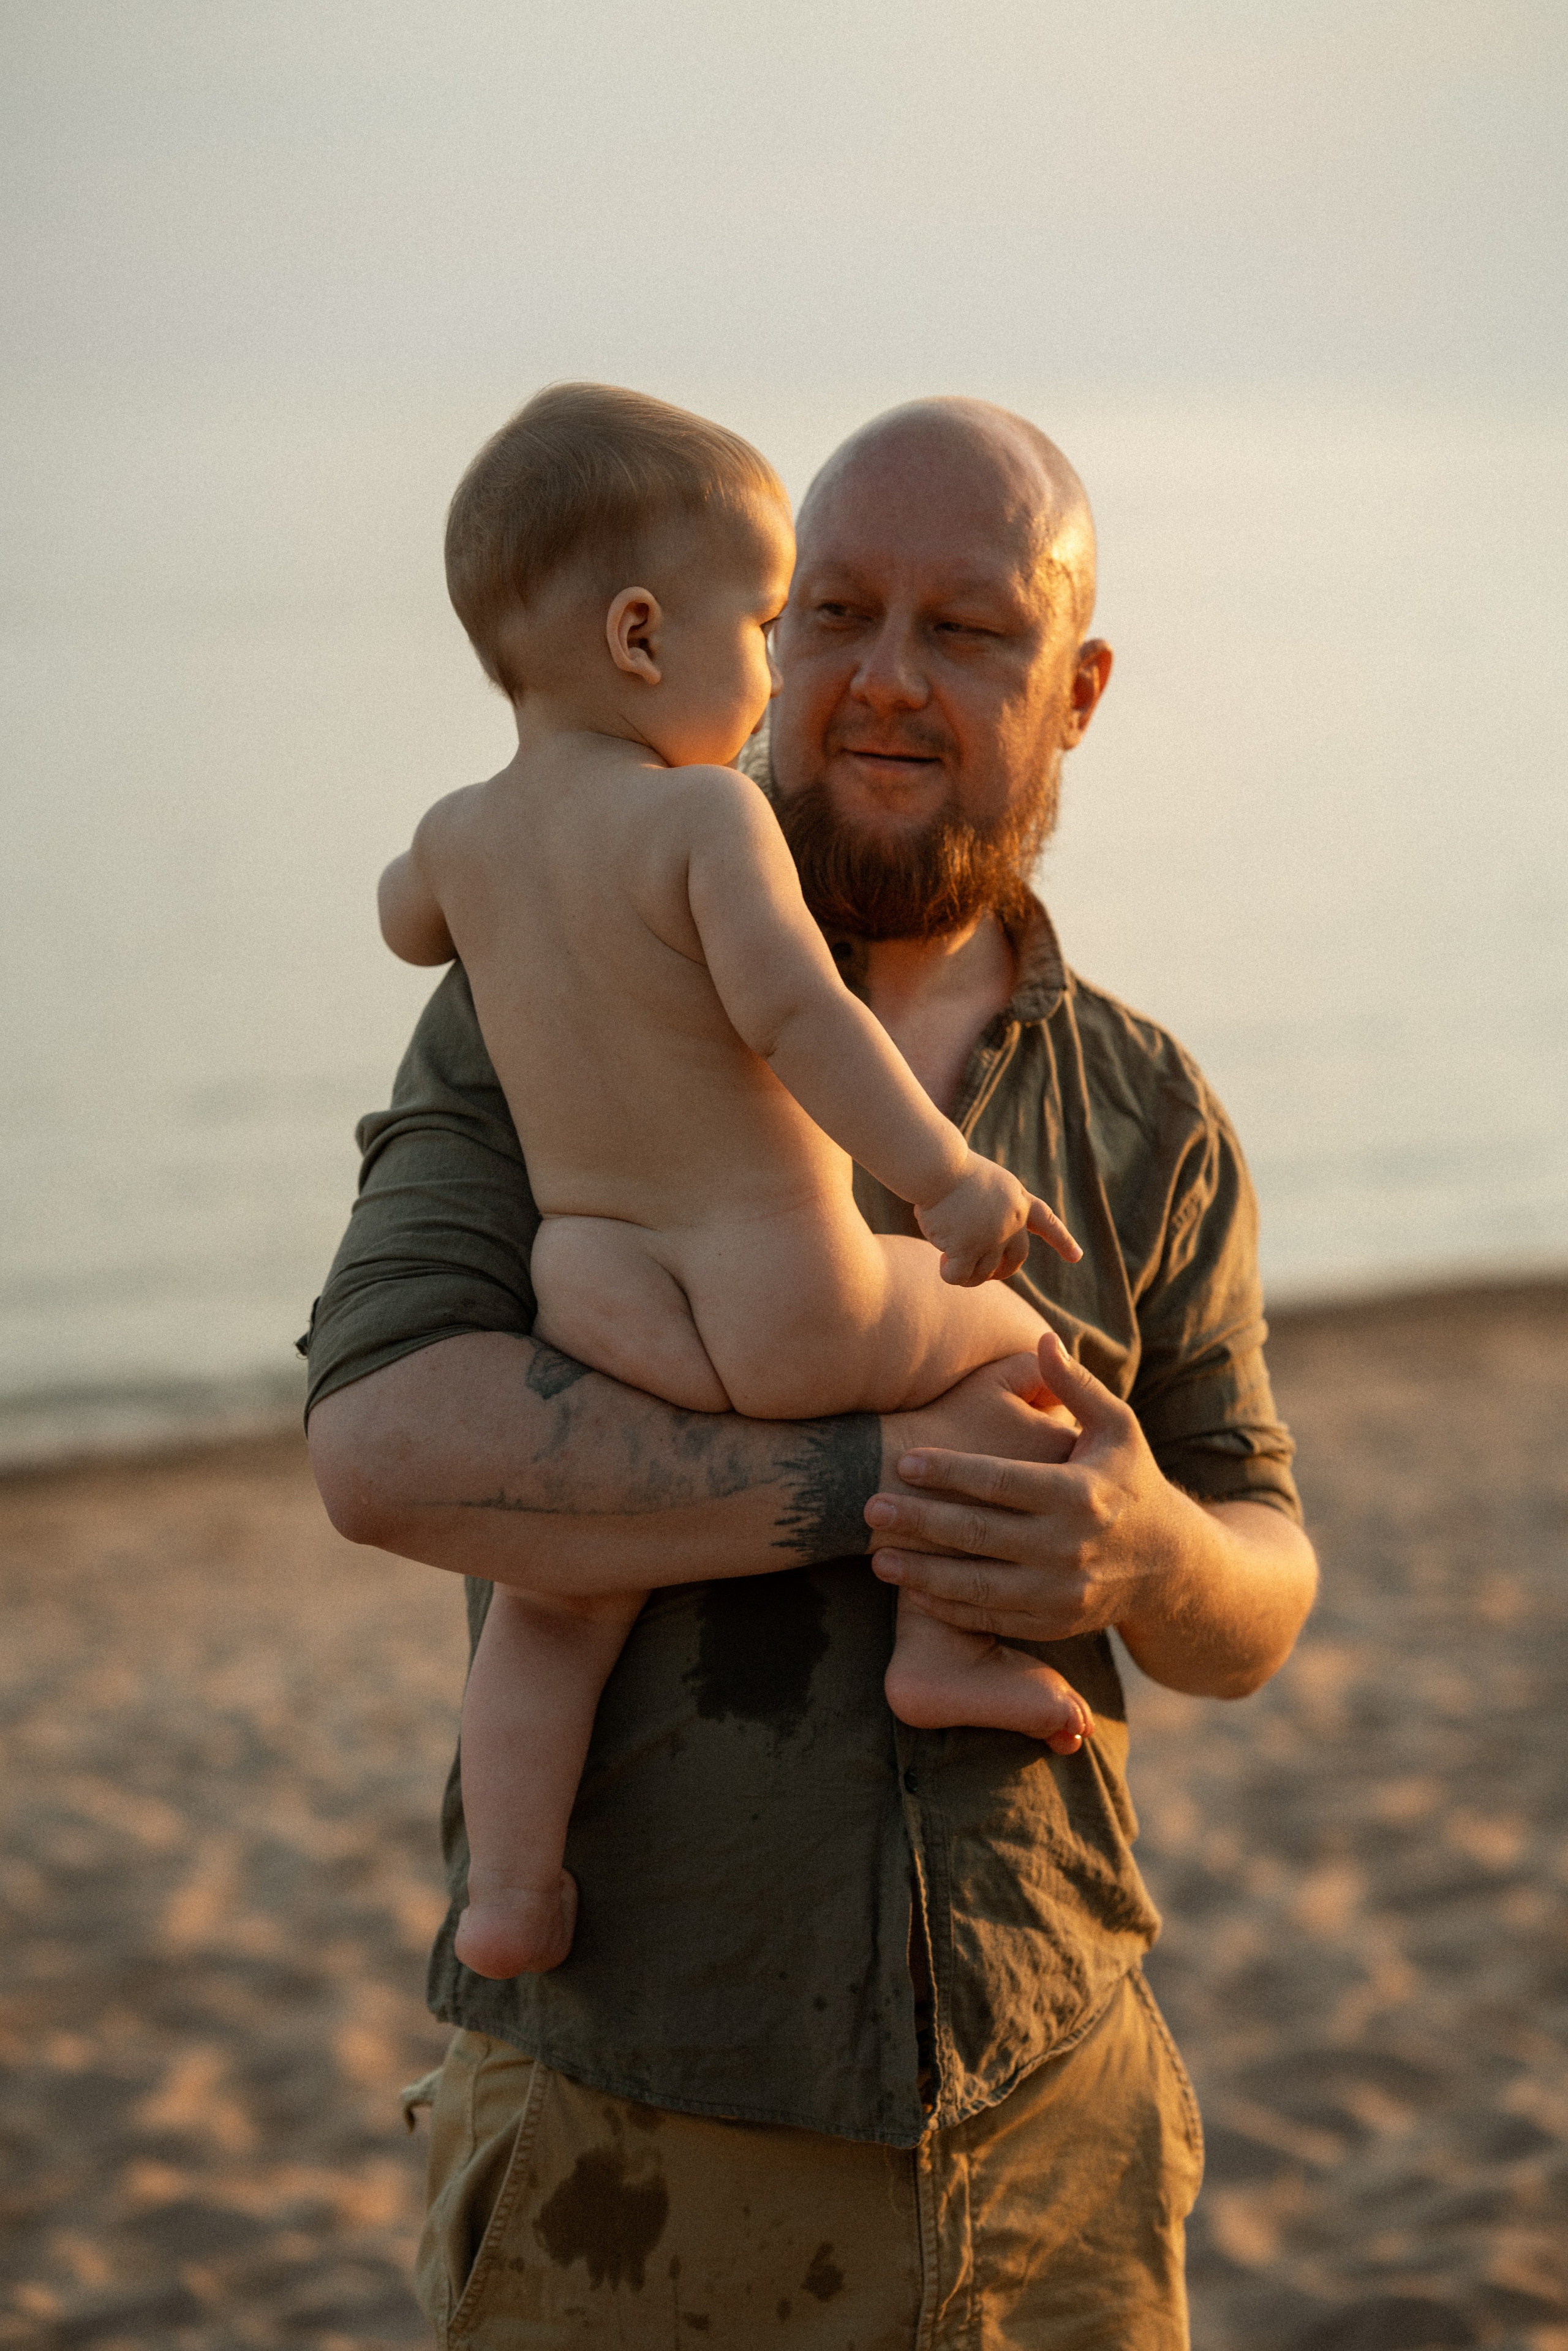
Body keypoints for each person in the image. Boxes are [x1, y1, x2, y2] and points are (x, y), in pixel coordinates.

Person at [306, 394, 1318, 2349]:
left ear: (1081, 688)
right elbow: (384, 1451)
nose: (874, 680)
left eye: (966, 630)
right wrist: (896, 1487)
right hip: (638, 2154)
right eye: (832, 612)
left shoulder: (1148, 1110)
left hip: (1060, 2143)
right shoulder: (552, 983)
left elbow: (1256, 1581)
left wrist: (1139, 1557)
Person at [377, 383, 1093, 1984]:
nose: (774, 671)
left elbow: (402, 920)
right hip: (777, 1284)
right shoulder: (702, 814)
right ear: (644, 638)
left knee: (555, 1603)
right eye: (771, 624)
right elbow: (801, 1020)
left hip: (600, 1291)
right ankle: (944, 1645)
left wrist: (481, 872)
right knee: (1008, 1356)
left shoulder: (460, 835)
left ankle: (509, 1890)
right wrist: (955, 1185)